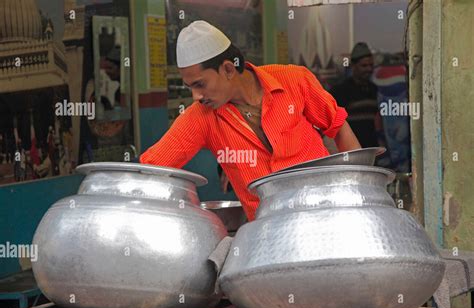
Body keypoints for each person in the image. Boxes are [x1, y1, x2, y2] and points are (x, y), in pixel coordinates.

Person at [140, 21, 361, 221]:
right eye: (190, 88)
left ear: (227, 69)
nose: (196, 97)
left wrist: (361, 195)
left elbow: (339, 128)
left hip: (331, 216)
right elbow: (151, 170)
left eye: (200, 85)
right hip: (270, 239)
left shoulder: (294, 80)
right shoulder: (201, 117)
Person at [330, 42, 383, 148]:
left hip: (370, 149)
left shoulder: (374, 89)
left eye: (371, 65)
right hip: (349, 150)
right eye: (364, 66)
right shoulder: (340, 91)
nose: (369, 69)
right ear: (353, 66)